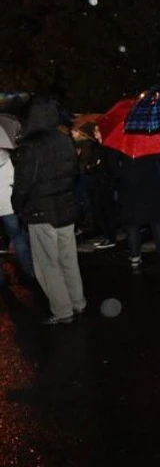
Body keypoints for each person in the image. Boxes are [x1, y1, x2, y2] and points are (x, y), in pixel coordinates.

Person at [12, 98, 86, 324]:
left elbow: (24, 182)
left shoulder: (30, 146)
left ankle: (62, 310)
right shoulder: (64, 140)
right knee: (68, 259)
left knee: (47, 264)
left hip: (41, 211)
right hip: (66, 208)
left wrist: (18, 204)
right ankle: (78, 302)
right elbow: (74, 172)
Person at [116, 151, 160, 270]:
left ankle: (135, 256)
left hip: (130, 192)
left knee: (132, 225)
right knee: (158, 223)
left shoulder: (123, 151)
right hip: (151, 190)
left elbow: (116, 171)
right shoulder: (150, 149)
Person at [0, 147, 35, 287]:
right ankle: (29, 270)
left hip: (6, 204)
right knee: (18, 237)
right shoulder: (6, 155)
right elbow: (15, 179)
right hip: (9, 203)